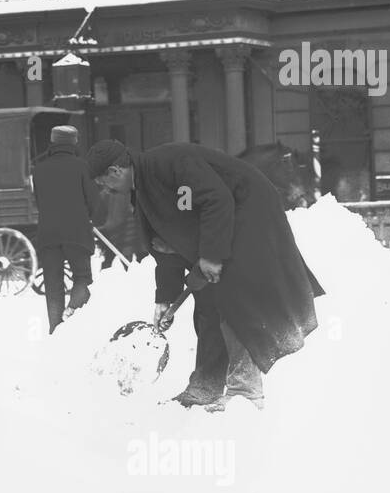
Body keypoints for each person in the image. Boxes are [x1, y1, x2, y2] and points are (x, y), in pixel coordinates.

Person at [90, 139, 325, 413]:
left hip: (249, 216)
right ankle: (205, 387)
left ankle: (245, 392)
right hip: (223, 226)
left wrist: (211, 256)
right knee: (207, 301)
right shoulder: (143, 190)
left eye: (102, 183)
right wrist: (165, 298)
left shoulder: (170, 165)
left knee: (235, 302)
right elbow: (164, 244)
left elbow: (216, 200)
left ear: (115, 171)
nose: (104, 190)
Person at [32, 125, 101, 333]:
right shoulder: (82, 166)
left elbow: (38, 201)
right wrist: (90, 218)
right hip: (77, 233)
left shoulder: (39, 169)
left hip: (48, 234)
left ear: (53, 142)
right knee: (82, 278)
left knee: (53, 286)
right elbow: (94, 201)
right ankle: (71, 313)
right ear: (74, 142)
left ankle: (55, 330)